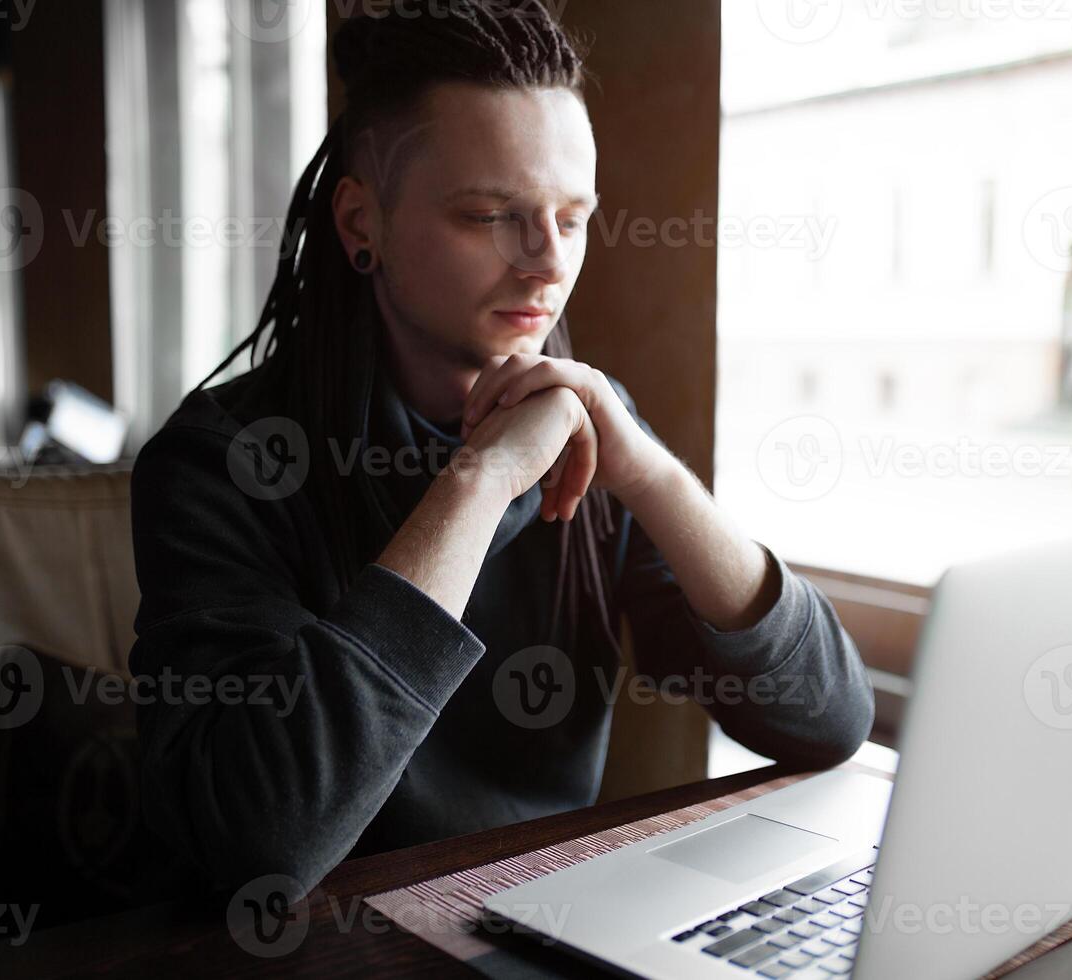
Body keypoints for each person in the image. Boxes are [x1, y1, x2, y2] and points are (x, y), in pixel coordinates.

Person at [128, 0, 874, 897]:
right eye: (490, 215)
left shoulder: (590, 434)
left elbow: (828, 721)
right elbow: (264, 835)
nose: (548, 260)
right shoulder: (221, 465)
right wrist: (482, 479)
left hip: (530, 923)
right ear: (361, 224)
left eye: (574, 214)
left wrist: (641, 466)